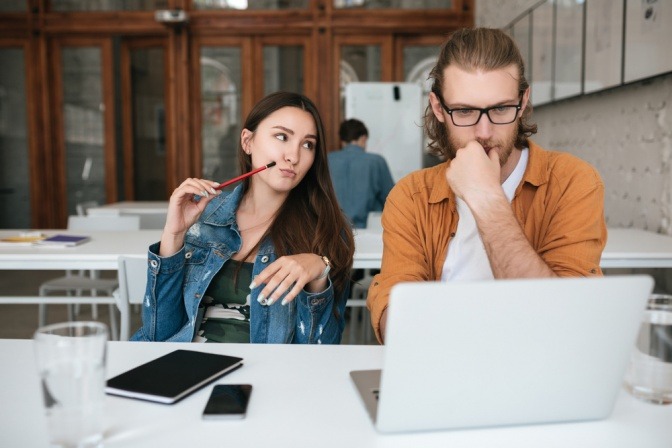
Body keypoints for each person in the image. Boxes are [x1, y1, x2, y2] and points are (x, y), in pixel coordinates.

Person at [367, 28, 607, 343]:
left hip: (540, 375)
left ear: (523, 103)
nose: (484, 131)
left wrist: (487, 200)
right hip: (441, 371)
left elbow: (562, 325)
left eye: (500, 109)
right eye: (464, 111)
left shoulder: (572, 181)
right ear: (439, 108)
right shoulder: (411, 196)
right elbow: (395, 329)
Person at [131, 92, 355, 344]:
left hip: (264, 377)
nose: (293, 157)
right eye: (282, 137)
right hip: (183, 366)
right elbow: (157, 333)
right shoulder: (203, 218)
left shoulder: (327, 231)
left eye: (307, 144)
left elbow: (321, 350)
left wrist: (319, 273)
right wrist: (173, 235)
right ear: (247, 141)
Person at [328, 118, 395, 228]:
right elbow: (392, 200)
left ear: (342, 140)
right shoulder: (376, 161)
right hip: (367, 233)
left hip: (331, 232)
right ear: (363, 138)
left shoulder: (326, 160)